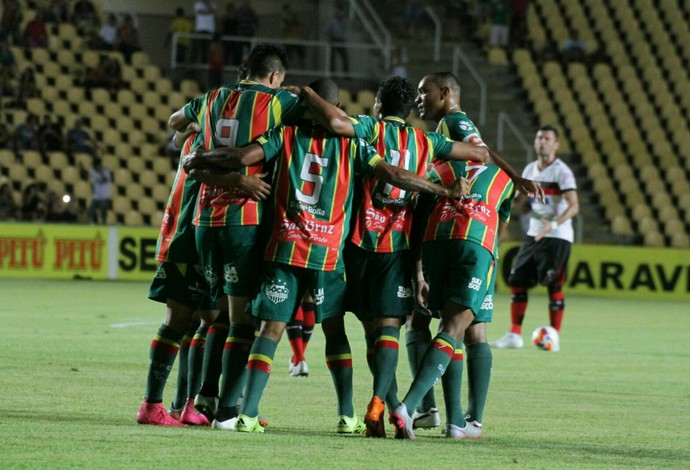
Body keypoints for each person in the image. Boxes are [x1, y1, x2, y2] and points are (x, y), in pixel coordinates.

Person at [182, 77, 469, 434]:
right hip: (329, 255)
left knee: (267, 330)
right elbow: (395, 173)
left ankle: (241, 412)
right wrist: (443, 189)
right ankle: (349, 416)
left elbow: (241, 157)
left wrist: (198, 155)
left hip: (283, 249)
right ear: (336, 110)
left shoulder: (283, 136)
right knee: (348, 331)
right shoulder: (354, 146)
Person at [301, 75, 494, 438]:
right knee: (389, 329)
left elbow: (334, 121)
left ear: (378, 104)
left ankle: (385, 407)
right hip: (399, 248)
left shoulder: (368, 128)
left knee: (368, 334)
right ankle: (381, 404)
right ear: (408, 110)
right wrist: (452, 177)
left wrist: (307, 94)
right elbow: (479, 154)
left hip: (356, 243)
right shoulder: (427, 140)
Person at [167, 43, 304, 430]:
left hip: (204, 219)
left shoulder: (211, 97)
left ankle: (204, 398)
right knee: (242, 321)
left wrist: (195, 128)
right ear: (275, 76)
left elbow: (175, 121)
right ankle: (228, 411)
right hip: (243, 221)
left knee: (216, 320)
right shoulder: (277, 102)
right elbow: (320, 117)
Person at [407, 71, 543, 436]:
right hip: (483, 232)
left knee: (438, 323)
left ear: (446, 93)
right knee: (474, 329)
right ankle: (467, 420)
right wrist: (512, 180)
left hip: (460, 227)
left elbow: (482, 152)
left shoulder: (454, 120)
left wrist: (516, 177)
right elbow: (483, 154)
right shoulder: (449, 130)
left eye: (426, 92)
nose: (420, 98)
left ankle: (428, 410)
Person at [137, 122, 265, 427]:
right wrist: (239, 181)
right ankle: (152, 404)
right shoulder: (210, 145)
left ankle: (188, 404)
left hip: (203, 235)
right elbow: (180, 137)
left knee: (210, 317)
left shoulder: (212, 139)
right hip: (185, 236)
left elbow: (177, 132)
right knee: (180, 320)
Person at [390, 148, 517, 441]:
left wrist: (418, 272)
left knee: (460, 326)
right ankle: (408, 408)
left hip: (436, 241)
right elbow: (500, 229)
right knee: (456, 329)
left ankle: (457, 422)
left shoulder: (441, 170)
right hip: (476, 242)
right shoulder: (503, 177)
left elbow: (418, 219)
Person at [490, 125, 579, 351]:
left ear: (556, 144)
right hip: (534, 234)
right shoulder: (530, 169)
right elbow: (519, 199)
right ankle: (514, 335)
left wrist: (554, 223)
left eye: (547, 138)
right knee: (517, 281)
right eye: (539, 137)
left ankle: (554, 336)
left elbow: (574, 205)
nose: (542, 141)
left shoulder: (562, 171)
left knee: (553, 284)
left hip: (557, 235)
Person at [324, 5, 349, 75]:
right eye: (338, 12)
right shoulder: (332, 21)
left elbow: (345, 28)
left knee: (345, 57)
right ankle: (332, 74)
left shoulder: (344, 21)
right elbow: (326, 31)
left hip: (341, 40)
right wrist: (329, 38)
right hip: (334, 40)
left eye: (341, 12)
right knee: (332, 58)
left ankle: (346, 74)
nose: (339, 13)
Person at [87, 158, 112, 224]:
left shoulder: (106, 172)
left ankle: (104, 223)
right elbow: (89, 179)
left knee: (103, 211)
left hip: (104, 196)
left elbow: (104, 180)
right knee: (91, 211)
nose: (94, 167)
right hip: (96, 196)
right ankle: (95, 222)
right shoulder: (92, 172)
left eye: (96, 165)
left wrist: (101, 173)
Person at [281, 3, 304, 69]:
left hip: (297, 39)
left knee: (301, 55)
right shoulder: (284, 19)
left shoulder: (294, 17)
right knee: (289, 56)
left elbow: (299, 26)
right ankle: (289, 70)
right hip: (288, 40)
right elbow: (283, 28)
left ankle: (302, 69)